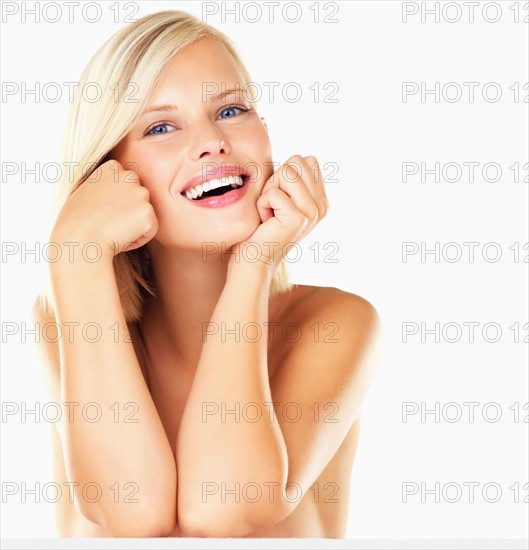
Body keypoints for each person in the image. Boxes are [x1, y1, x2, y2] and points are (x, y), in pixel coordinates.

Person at [32, 9, 382, 538]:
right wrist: (73, 255)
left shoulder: (335, 322)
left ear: (266, 135)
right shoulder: (68, 310)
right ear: (110, 175)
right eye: (162, 126)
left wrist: (252, 266)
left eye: (232, 109)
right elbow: (134, 511)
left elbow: (223, 510)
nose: (211, 142)